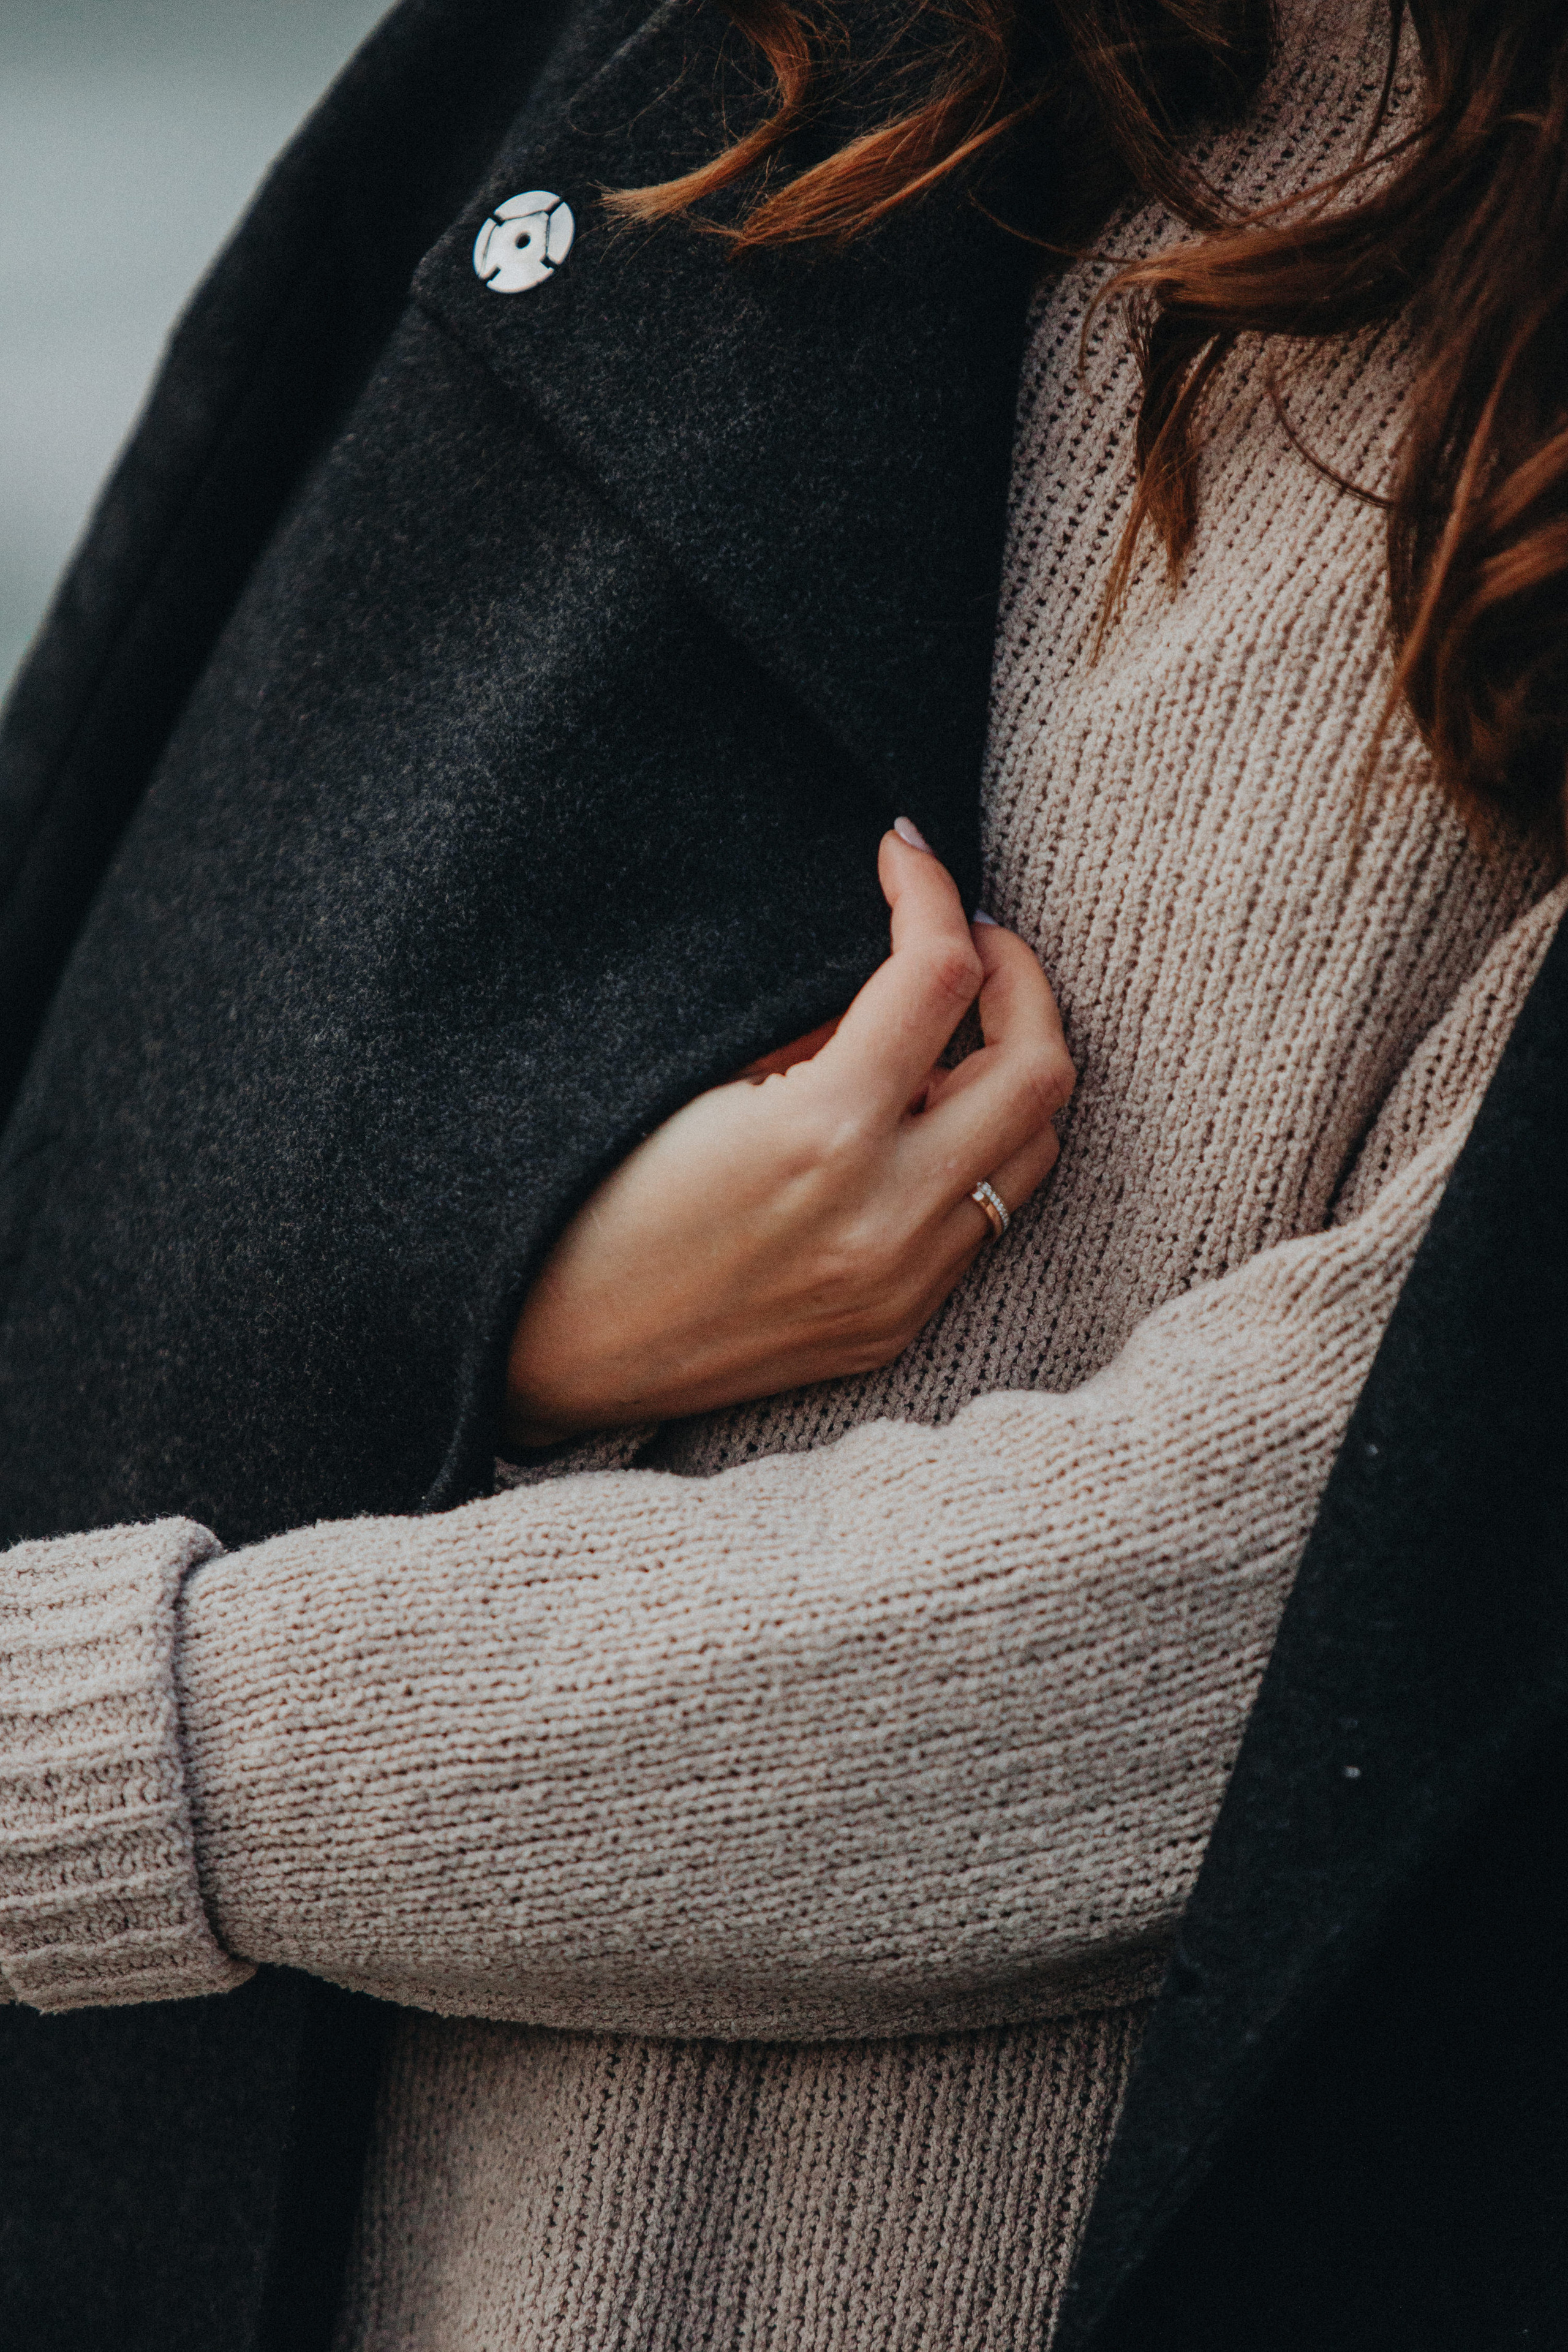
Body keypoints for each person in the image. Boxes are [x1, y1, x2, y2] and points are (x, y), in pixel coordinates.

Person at [2, 0, 1566, 2347]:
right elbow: (150, 1063)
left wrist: (117, 1736)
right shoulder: (694, 76)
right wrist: (505, 1306)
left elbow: (1320, 1604)